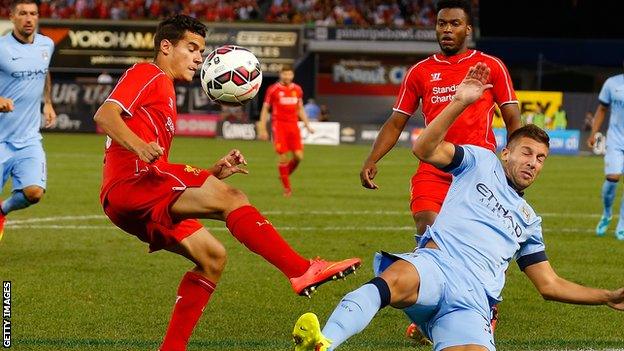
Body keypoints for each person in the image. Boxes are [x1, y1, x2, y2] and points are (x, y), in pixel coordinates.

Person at [292, 63, 624, 351]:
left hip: (472, 303)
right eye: (526, 152)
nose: (532, 163)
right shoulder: (480, 161)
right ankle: (326, 342)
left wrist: (606, 296)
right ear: (505, 152)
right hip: (435, 267)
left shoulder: (529, 222)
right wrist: (459, 102)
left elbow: (549, 285)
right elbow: (423, 148)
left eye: (540, 159)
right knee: (394, 279)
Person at [93, 15, 360, 351]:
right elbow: (104, 115)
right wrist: (140, 146)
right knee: (233, 198)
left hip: (134, 196)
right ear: (165, 46)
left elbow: (167, 177)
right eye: (191, 48)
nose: (197, 58)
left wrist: (211, 173)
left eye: (201, 51)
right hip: (133, 180)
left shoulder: (166, 90)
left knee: (213, 257)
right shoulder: (148, 73)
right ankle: (301, 269)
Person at [358, 0, 520, 340]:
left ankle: (483, 305)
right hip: (434, 167)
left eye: (454, 24)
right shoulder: (420, 72)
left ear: (468, 29)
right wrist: (373, 159)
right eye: (442, 24)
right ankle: (432, 306)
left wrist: (515, 161)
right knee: (428, 225)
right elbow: (396, 121)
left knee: (473, 244)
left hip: (477, 173)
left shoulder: (491, 66)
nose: (447, 30)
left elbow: (511, 116)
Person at [0, 0, 56, 241]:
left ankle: (2, 211)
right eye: (22, 13)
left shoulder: (47, 44)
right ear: (12, 17)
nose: (29, 18)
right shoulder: (1, 48)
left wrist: (48, 102)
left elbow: (44, 71)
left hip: (29, 139)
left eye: (33, 13)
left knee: (33, 193)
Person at [257, 65, 314, 197]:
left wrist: (307, 124)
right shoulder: (273, 90)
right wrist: (262, 127)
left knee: (299, 157)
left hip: (293, 126)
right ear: (280, 74)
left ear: (292, 75)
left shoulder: (297, 89)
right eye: (285, 74)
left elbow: (300, 108)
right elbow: (265, 109)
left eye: (289, 74)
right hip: (279, 126)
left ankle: (284, 174)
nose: (287, 76)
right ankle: (287, 189)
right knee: (283, 157)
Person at [587, 68, 624, 240]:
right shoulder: (612, 83)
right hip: (616, 140)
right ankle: (607, 213)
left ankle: (622, 225)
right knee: (612, 178)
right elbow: (602, 109)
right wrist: (594, 132)